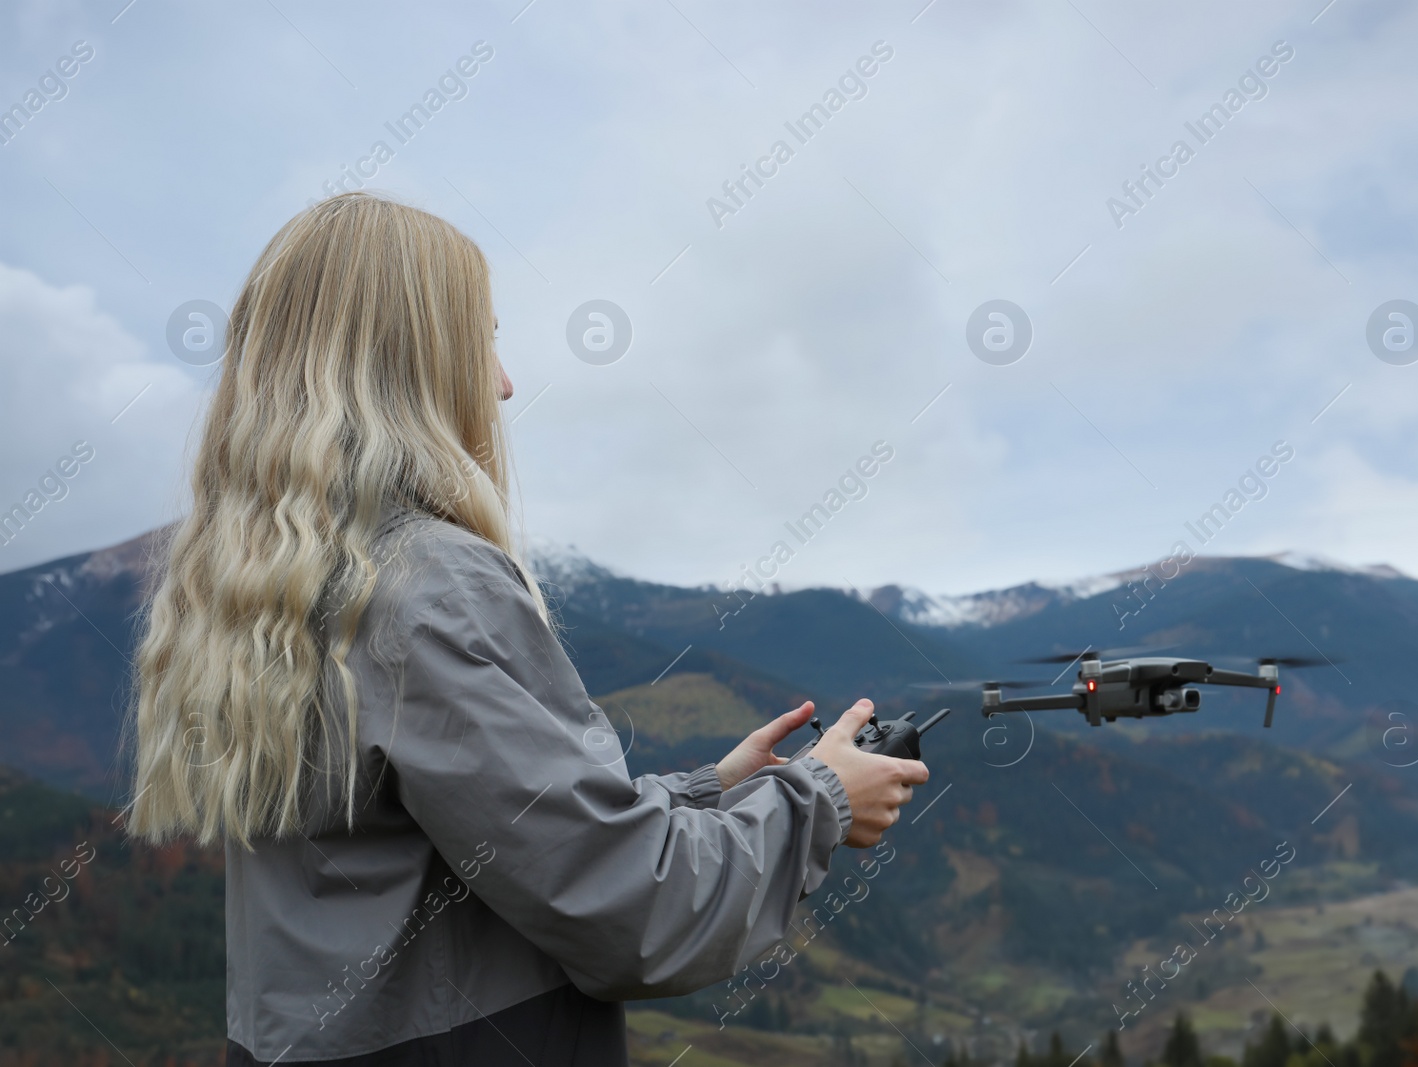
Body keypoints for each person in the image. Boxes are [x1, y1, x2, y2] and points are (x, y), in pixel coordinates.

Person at [124, 191, 929, 1065]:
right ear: (412, 363)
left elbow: (467, 842)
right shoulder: (428, 585)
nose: (503, 381)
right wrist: (821, 799)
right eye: (484, 340)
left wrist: (708, 791)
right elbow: (633, 915)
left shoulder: (263, 591)